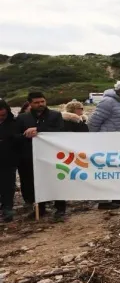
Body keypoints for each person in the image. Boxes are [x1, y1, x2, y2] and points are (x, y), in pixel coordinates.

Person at [16, 92, 67, 220]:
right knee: (35, 183)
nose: (40, 104)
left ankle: (60, 208)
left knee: (56, 181)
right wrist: (25, 135)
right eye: (36, 102)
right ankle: (40, 208)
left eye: (42, 101)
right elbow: (16, 136)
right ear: (30, 104)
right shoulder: (23, 118)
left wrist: (38, 130)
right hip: (30, 155)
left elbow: (60, 131)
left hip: (52, 155)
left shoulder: (55, 115)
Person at [0, 100, 18, 222]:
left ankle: (7, 208)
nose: (1, 118)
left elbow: (19, 137)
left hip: (9, 159)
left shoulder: (14, 122)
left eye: (3, 115)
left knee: (8, 185)